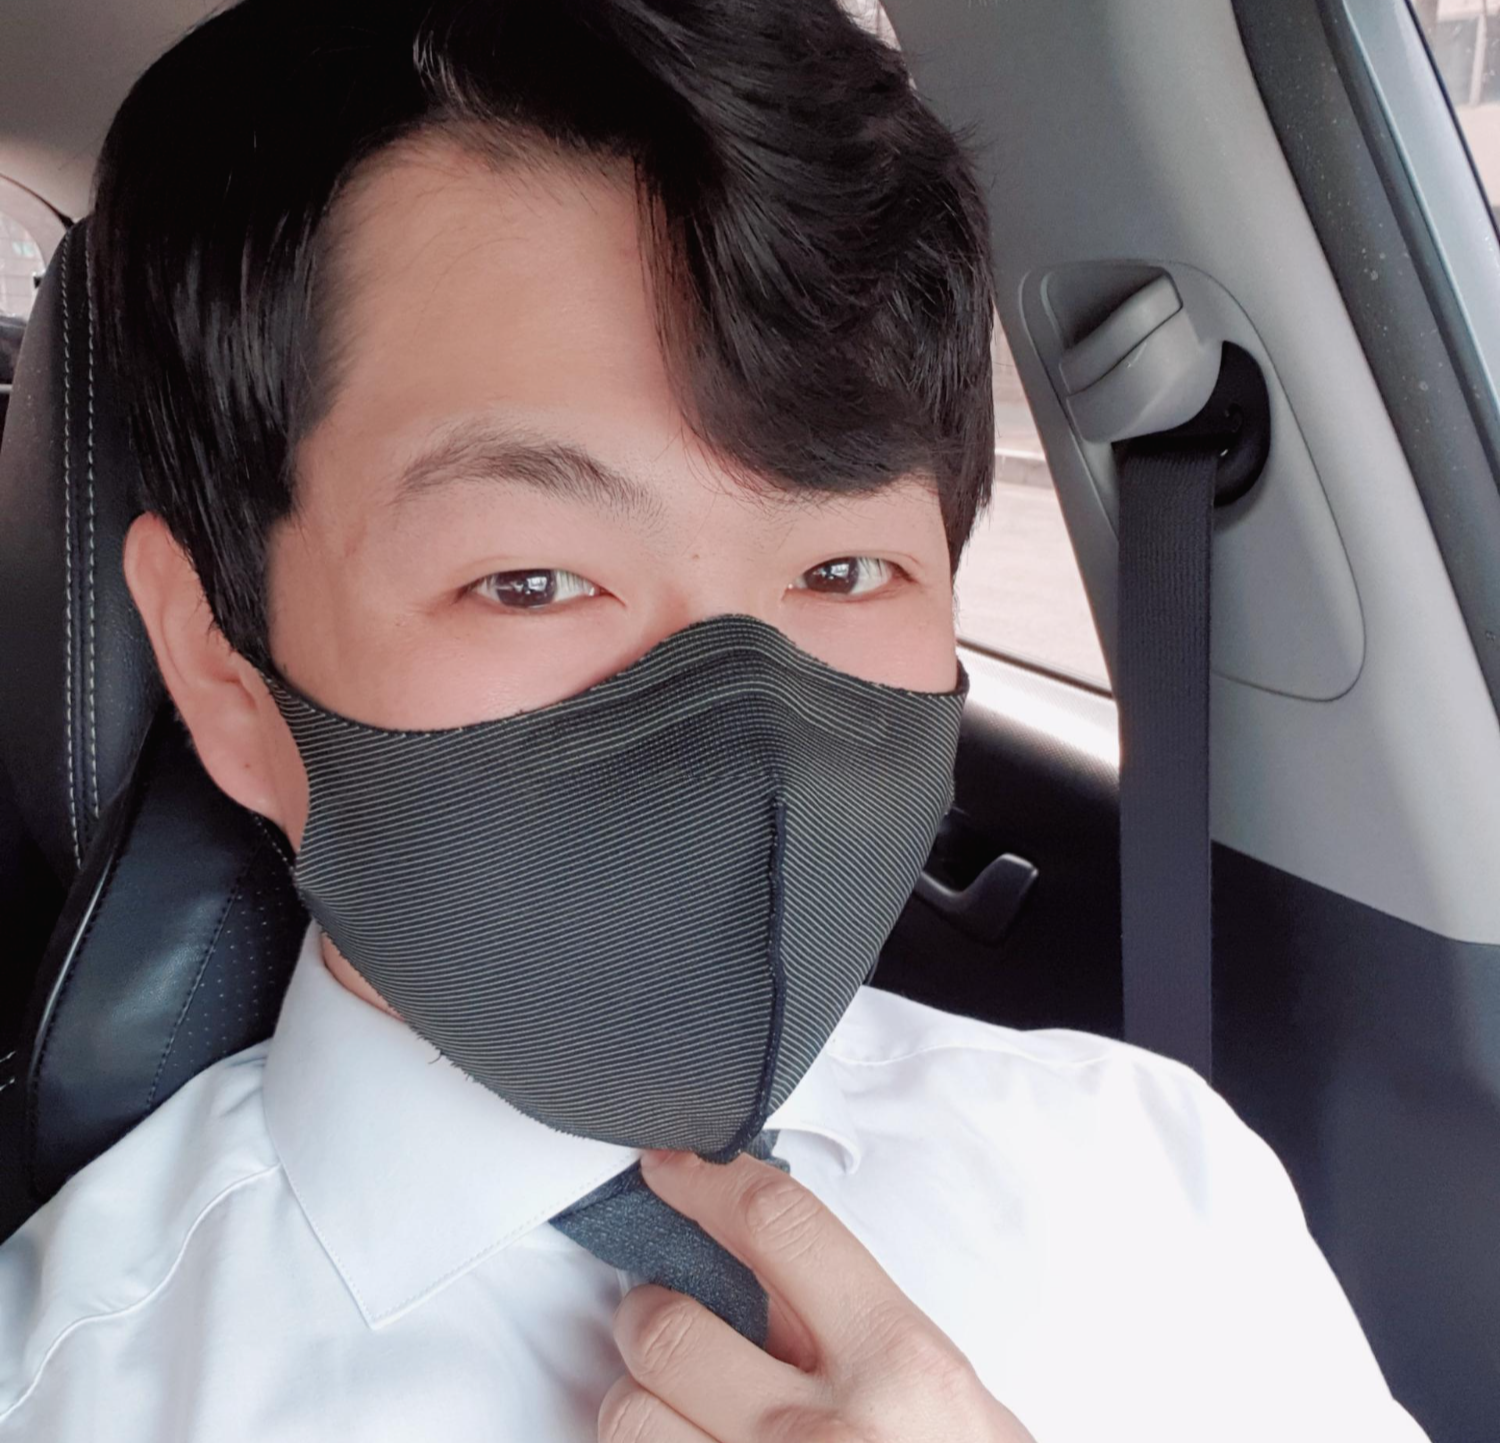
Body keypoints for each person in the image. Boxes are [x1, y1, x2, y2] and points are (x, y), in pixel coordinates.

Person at [0, 2, 1429, 1440]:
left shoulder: (1154, 1176)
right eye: (531, 580)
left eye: (846, 569)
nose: (742, 737)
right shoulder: (67, 1387)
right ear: (220, 666)